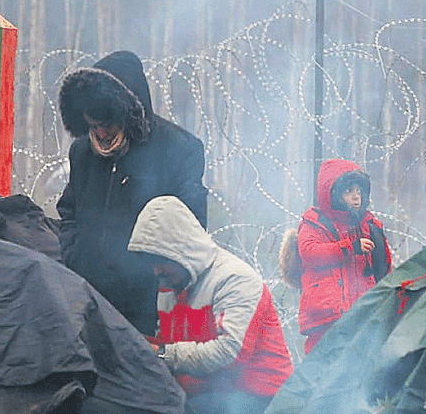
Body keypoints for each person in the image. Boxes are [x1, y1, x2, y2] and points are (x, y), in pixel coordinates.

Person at [56, 50, 207, 336]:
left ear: (126, 114)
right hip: (89, 301)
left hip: (148, 310)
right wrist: (76, 257)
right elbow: (69, 211)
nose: (100, 134)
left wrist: (157, 280)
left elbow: (192, 227)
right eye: (93, 126)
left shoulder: (178, 150)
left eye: (107, 125)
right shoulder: (82, 153)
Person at [129, 196, 294, 414]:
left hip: (261, 397)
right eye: (152, 262)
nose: (156, 271)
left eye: (162, 260)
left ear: (180, 250)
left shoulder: (235, 279)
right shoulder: (171, 285)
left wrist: (159, 352)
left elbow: (230, 354)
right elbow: (168, 344)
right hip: (209, 396)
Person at [297, 158, 391, 354]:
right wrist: (348, 248)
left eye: (359, 191)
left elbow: (384, 269)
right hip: (326, 320)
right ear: (331, 193)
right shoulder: (315, 223)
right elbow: (310, 253)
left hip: (363, 319)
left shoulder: (370, 225)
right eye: (349, 192)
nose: (356, 197)